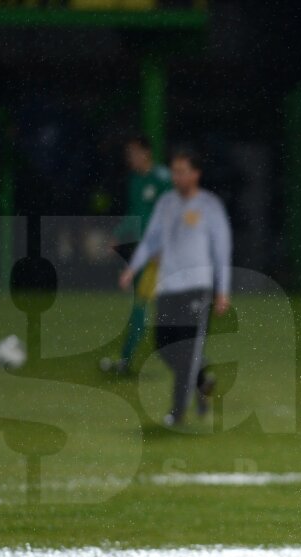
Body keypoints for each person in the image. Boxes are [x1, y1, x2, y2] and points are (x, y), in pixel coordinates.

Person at [117, 147, 231, 427]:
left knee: (188, 348)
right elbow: (152, 240)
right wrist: (132, 268)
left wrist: (222, 290)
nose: (176, 177)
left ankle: (177, 413)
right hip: (167, 286)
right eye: (174, 172)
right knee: (164, 345)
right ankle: (201, 378)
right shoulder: (166, 203)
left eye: (182, 172)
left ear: (195, 174)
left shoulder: (209, 206)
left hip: (197, 288)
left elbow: (222, 250)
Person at [101, 135, 172, 376]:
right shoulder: (135, 180)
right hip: (146, 254)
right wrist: (118, 235)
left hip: (161, 255)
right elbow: (135, 213)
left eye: (133, 153)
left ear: (146, 153)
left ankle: (195, 366)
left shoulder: (162, 179)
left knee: (159, 311)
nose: (129, 158)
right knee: (143, 310)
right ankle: (125, 361)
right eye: (127, 154)